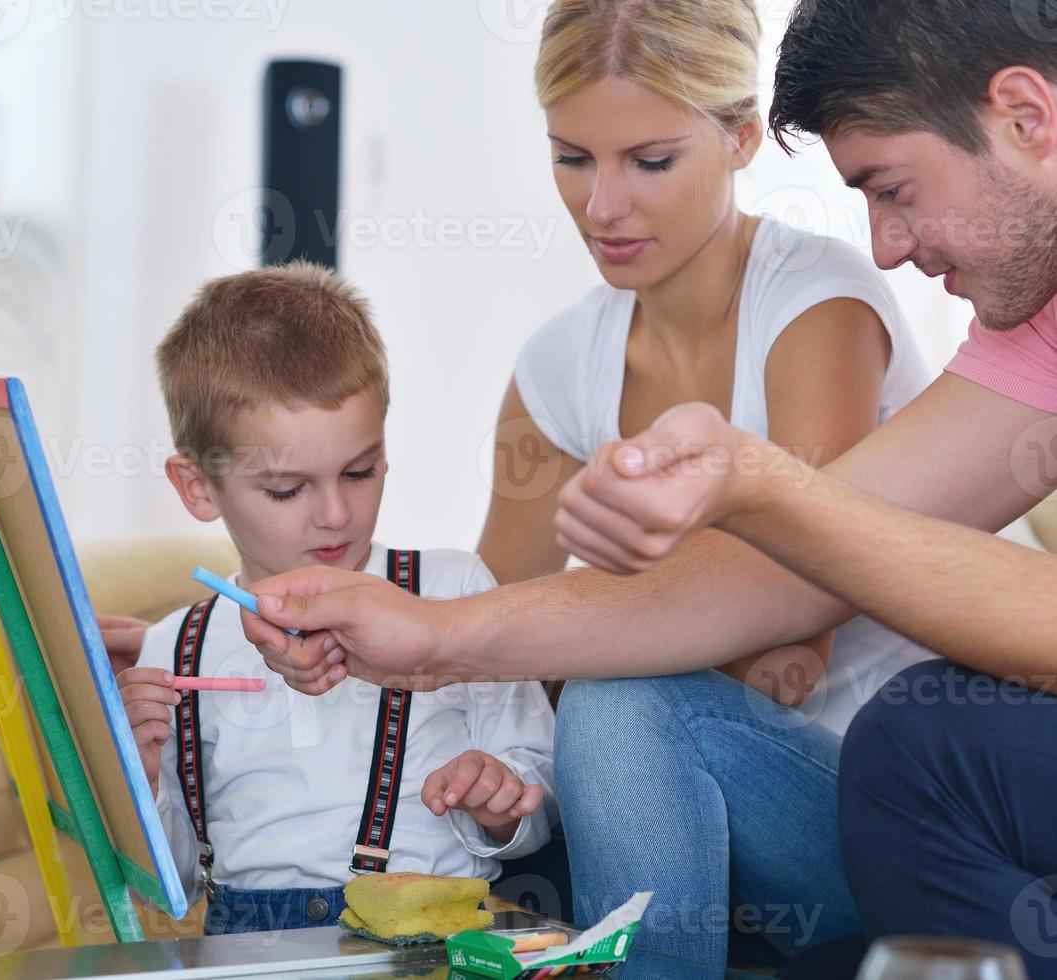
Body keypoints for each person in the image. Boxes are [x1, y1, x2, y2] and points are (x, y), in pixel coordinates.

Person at [239, 1, 1057, 973]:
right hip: (864, 807)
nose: (885, 244)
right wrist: (430, 635)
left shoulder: (816, 298)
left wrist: (750, 488)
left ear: (1023, 114)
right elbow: (798, 571)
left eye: (893, 188)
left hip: (858, 777)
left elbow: (801, 615)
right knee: (584, 760)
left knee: (916, 735)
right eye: (571, 158)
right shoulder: (1029, 334)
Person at [473, 0, 932, 964]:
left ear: (739, 138)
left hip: (880, 815)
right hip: (684, 803)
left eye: (648, 161)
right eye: (571, 157)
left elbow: (789, 646)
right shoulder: (557, 364)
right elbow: (494, 632)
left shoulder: (816, 302)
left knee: (617, 702)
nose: (601, 206)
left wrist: (578, 649)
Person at [119, 261, 555, 936]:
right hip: (248, 949)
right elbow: (168, 886)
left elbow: (539, 788)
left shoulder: (452, 592)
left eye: (359, 472)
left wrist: (501, 804)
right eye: (287, 490)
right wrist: (140, 779)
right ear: (197, 487)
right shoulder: (171, 644)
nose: (334, 514)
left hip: (431, 939)